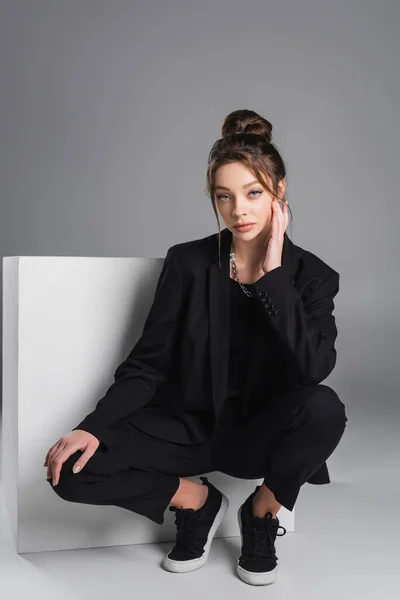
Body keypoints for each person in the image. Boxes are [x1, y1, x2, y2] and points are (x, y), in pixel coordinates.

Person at [44, 109, 348, 586]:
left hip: (255, 436)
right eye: (224, 197)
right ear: (213, 199)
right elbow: (149, 361)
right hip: (185, 426)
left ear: (279, 192)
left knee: (325, 408)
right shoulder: (188, 262)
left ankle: (263, 513)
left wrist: (274, 279)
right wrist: (94, 427)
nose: (238, 211)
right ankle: (197, 502)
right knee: (70, 469)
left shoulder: (312, 277)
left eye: (253, 194)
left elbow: (314, 368)